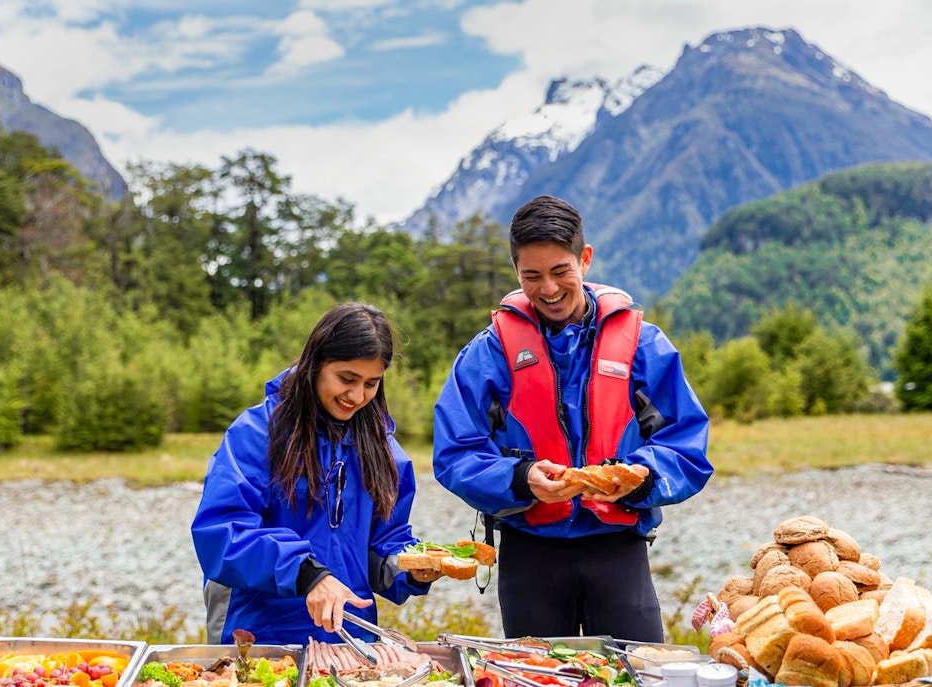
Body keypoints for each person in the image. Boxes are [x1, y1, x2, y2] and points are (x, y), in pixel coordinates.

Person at [433, 195, 712, 641]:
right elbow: (455, 453)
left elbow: (686, 442)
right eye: (532, 276)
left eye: (560, 271)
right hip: (530, 553)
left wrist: (643, 476)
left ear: (585, 259)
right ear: (516, 273)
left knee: (636, 672)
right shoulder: (489, 352)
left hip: (618, 547)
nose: (548, 289)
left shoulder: (644, 345)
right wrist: (522, 478)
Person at [192, 302, 441, 646]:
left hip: (349, 639)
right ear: (315, 364)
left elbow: (383, 545)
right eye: (346, 379)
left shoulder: (383, 450)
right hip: (258, 636)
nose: (356, 396)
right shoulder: (255, 433)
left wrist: (411, 567)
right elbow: (221, 536)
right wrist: (305, 572)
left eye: (371, 383)